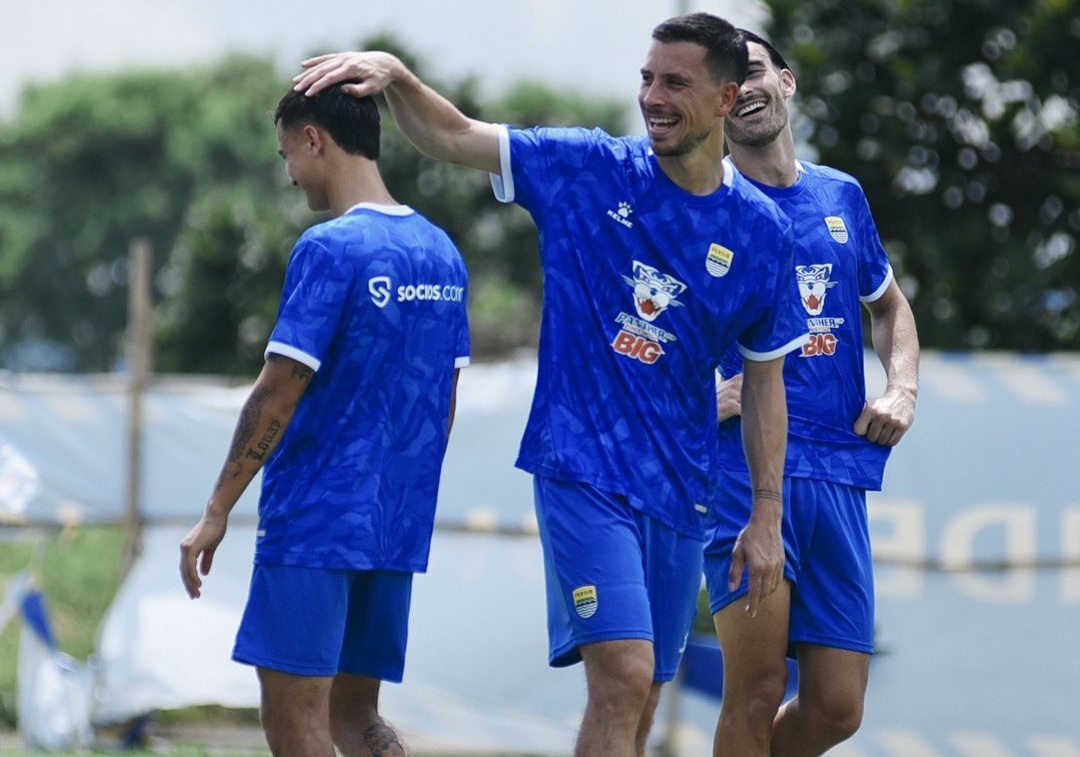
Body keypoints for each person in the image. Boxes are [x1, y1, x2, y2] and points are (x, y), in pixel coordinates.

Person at [293, 13, 807, 756]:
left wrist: (765, 514)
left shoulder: (762, 231)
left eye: (675, 83)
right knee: (624, 677)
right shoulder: (588, 169)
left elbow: (765, 383)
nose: (652, 96)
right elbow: (455, 135)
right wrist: (397, 75)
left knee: (645, 696)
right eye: (646, 78)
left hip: (681, 487)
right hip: (581, 468)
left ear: (727, 99)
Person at [178, 82, 470, 757]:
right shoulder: (443, 253)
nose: (289, 173)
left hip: (316, 520)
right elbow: (443, 398)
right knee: (357, 715)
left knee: (295, 718)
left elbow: (277, 391)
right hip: (393, 523)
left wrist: (218, 506)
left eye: (287, 155)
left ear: (316, 140)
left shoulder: (330, 248)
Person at [703, 30, 920, 757]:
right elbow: (644, 319)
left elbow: (889, 306)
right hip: (743, 472)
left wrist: (902, 388)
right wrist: (702, 392)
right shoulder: (702, 203)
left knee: (835, 706)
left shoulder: (841, 196)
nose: (745, 86)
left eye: (755, 69)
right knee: (756, 687)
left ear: (787, 83)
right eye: (727, 78)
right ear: (717, 102)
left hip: (839, 470)